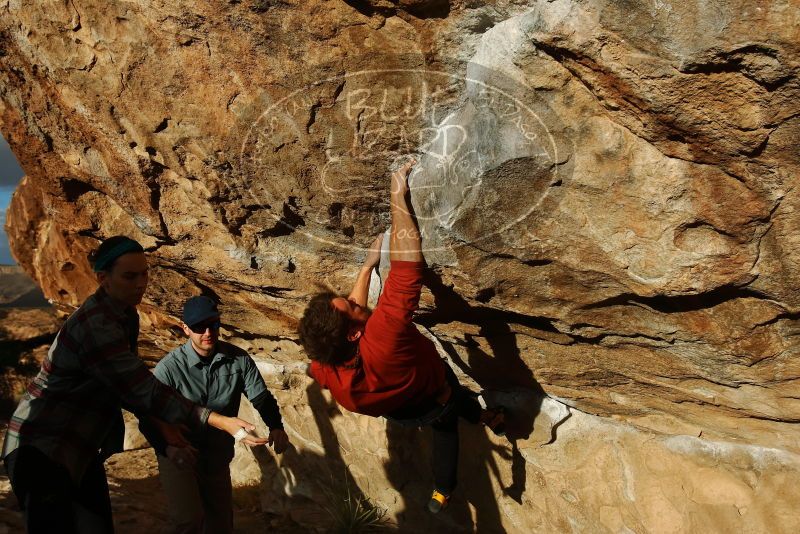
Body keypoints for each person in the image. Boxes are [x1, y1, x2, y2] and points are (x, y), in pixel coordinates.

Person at [1, 236, 267, 534]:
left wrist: (163, 426)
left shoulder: (125, 315)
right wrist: (221, 421)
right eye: (130, 276)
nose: (141, 283)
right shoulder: (96, 325)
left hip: (80, 448)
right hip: (41, 447)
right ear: (104, 278)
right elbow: (144, 389)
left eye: (144, 273)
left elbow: (122, 386)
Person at [297, 160, 505, 514]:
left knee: (454, 401)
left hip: (402, 409)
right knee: (447, 418)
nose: (353, 298)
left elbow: (350, 317)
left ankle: (486, 419)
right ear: (355, 334)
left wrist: (366, 268)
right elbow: (409, 266)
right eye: (351, 304)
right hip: (432, 396)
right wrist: (398, 195)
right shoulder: (385, 336)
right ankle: (444, 488)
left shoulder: (325, 361)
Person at [139, 295, 289, 534]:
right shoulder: (169, 369)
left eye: (213, 324)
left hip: (217, 454)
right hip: (179, 453)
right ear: (185, 329)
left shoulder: (238, 360)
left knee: (220, 523)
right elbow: (147, 417)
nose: (208, 332)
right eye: (199, 327)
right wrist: (168, 448)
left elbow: (260, 397)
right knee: (188, 521)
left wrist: (276, 427)